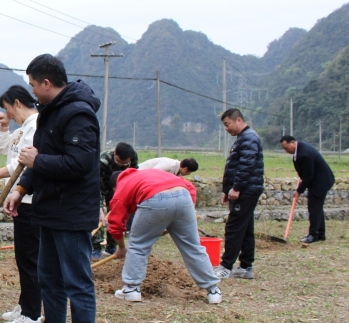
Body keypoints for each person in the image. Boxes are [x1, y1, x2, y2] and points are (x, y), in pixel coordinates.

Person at [3, 53, 101, 323]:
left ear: (46, 83)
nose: (31, 91)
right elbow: (39, 159)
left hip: (72, 213)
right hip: (48, 210)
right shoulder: (50, 113)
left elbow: (79, 165)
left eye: (33, 85)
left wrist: (36, 163)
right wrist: (20, 190)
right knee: (49, 280)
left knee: (77, 283)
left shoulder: (79, 114)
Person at [107, 169, 222, 304]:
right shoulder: (149, 174)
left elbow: (115, 225)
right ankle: (213, 291)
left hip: (154, 199)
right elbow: (189, 187)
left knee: (138, 246)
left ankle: (131, 290)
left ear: (116, 184)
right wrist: (188, 214)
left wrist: (121, 247)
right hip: (184, 197)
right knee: (193, 247)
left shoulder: (123, 185)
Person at [0, 85, 41, 323]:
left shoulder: (36, 126)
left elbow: (22, 163)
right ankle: (25, 305)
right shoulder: (22, 129)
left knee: (29, 259)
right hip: (19, 201)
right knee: (23, 257)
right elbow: (4, 149)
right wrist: (4, 126)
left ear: (17, 103)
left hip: (29, 199)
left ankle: (32, 315)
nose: (8, 114)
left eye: (8, 109)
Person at [213, 109, 263, 280]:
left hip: (246, 191)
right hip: (245, 190)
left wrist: (237, 187)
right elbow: (235, 168)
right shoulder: (244, 138)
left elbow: (246, 165)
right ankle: (245, 266)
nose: (226, 129)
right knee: (246, 228)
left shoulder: (248, 138)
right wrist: (228, 190)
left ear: (239, 120)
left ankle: (226, 267)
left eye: (227, 124)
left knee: (233, 228)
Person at [280, 136, 335, 243]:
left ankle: (313, 235)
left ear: (293, 142)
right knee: (317, 208)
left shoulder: (304, 154)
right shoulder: (299, 150)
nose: (286, 151)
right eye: (284, 149)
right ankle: (320, 234)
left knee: (314, 209)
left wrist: (299, 191)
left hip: (320, 182)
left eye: (286, 148)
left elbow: (308, 176)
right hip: (317, 180)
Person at [96, 142, 138, 259]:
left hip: (120, 186)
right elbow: (96, 184)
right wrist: (99, 206)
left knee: (116, 216)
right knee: (100, 215)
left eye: (124, 163)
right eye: (118, 162)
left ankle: (111, 246)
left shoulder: (133, 156)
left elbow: (134, 173)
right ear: (115, 153)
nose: (121, 165)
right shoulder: (103, 161)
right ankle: (96, 248)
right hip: (103, 185)